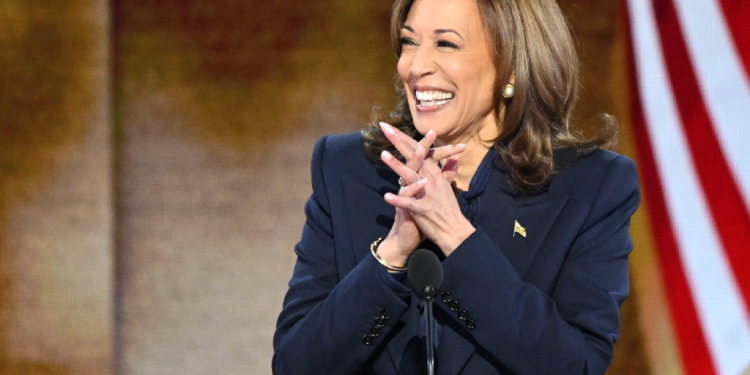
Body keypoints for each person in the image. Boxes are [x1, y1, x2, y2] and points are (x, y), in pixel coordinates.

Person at [273, 0, 640, 373]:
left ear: (512, 62)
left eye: (445, 44)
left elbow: (574, 366)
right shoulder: (348, 169)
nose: (416, 66)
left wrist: (455, 237)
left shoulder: (590, 187)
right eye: (409, 42)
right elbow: (295, 366)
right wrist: (391, 255)